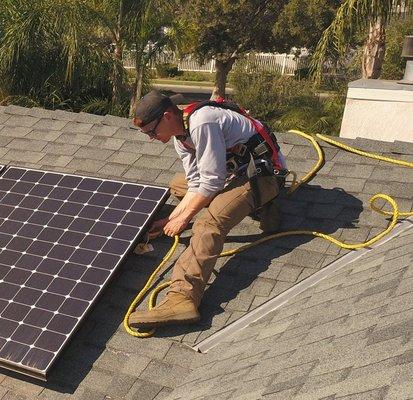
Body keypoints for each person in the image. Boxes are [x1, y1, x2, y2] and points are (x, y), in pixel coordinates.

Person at [128, 90, 286, 329]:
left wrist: (186, 218)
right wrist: (170, 219)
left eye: (152, 131)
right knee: (178, 185)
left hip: (263, 176)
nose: (151, 137)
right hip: (233, 174)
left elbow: (211, 182)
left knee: (208, 223)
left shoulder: (203, 121)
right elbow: (195, 183)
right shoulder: (181, 139)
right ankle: (243, 204)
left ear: (168, 116)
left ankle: (182, 299)